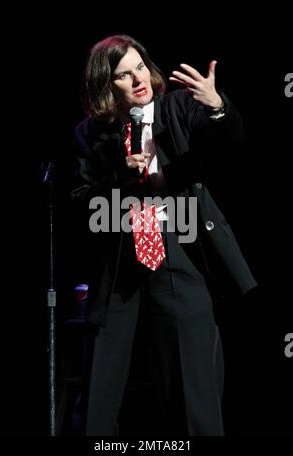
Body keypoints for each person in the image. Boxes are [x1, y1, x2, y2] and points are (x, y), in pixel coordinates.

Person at [68, 34, 257, 436]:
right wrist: (119, 178)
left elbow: (231, 142)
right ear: (106, 86)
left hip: (177, 254)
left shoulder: (178, 106)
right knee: (96, 401)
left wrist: (219, 108)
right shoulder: (89, 134)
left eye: (139, 66)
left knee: (195, 400)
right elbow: (79, 205)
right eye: (123, 74)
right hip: (118, 267)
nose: (137, 79)